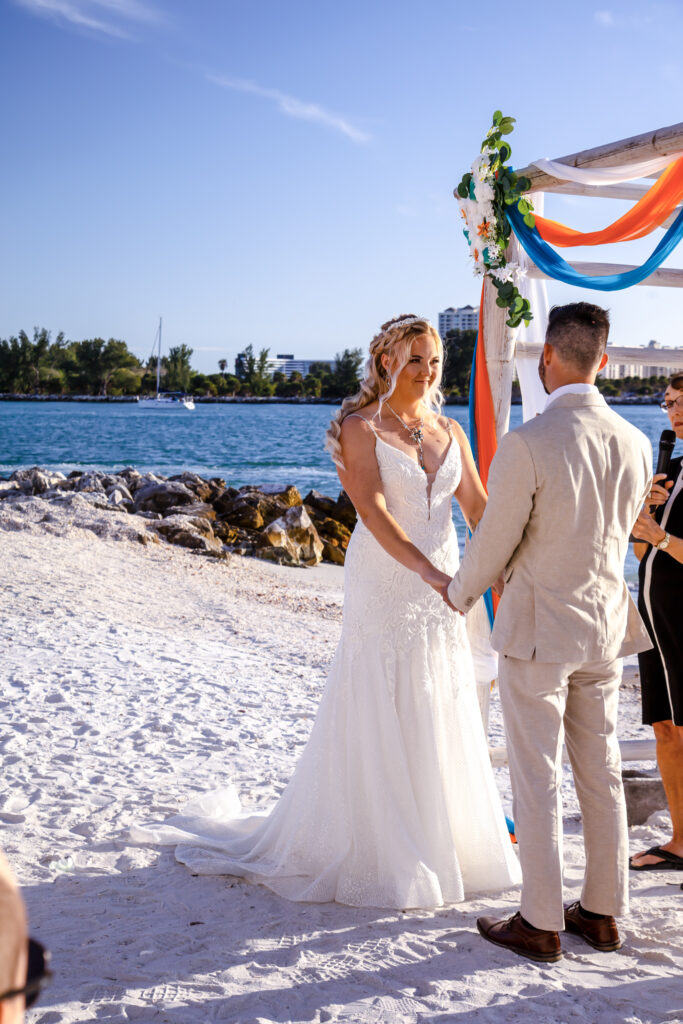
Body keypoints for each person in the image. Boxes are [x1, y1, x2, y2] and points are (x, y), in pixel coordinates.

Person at [132, 314, 521, 908]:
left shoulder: (451, 431)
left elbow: (478, 510)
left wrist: (507, 562)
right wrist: (429, 572)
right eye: (414, 358)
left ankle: (448, 842)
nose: (426, 370)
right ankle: (384, 847)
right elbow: (373, 511)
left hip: (447, 579)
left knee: (437, 690)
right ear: (387, 361)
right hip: (390, 575)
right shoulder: (359, 427)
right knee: (382, 689)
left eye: (435, 359)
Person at [445, 302, 652, 962]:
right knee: (601, 773)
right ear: (605, 359)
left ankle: (538, 922)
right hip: (603, 627)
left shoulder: (528, 442)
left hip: (539, 633)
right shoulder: (634, 440)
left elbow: (494, 541)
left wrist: (457, 592)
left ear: (546, 358)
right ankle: (601, 912)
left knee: (537, 778)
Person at [629, 373, 683, 872]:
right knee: (666, 728)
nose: (676, 413)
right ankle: (680, 842)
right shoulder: (674, 469)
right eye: (670, 403)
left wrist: (662, 539)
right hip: (655, 620)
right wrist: (643, 518)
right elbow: (642, 550)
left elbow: (665, 547)